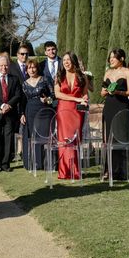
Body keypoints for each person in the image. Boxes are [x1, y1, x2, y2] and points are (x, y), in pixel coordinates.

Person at [54, 52, 90, 180]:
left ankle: (75, 171)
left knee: (75, 140)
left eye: (68, 60)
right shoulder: (59, 75)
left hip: (77, 112)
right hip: (63, 111)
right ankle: (64, 171)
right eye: (64, 60)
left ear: (73, 61)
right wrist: (75, 99)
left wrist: (84, 98)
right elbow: (57, 94)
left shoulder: (82, 77)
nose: (66, 62)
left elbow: (85, 94)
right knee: (64, 140)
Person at [101, 49, 129, 180]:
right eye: (110, 58)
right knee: (108, 138)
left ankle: (121, 171)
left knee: (120, 137)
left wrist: (118, 92)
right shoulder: (108, 73)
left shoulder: (127, 72)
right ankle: (108, 170)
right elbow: (102, 92)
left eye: (114, 58)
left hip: (121, 106)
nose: (111, 60)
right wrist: (108, 91)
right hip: (109, 106)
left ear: (122, 58)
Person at [0, 54, 23, 173]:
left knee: (8, 139)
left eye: (6, 65)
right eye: (1, 65)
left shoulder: (14, 79)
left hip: (10, 113)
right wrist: (2, 105)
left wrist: (8, 105)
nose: (4, 68)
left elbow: (18, 95)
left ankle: (6, 164)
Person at [20, 59, 54, 171]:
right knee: (32, 136)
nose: (32, 70)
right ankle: (35, 163)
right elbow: (22, 101)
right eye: (29, 68)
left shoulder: (45, 79)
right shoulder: (24, 84)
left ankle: (47, 162)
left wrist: (47, 99)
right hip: (30, 111)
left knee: (44, 136)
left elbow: (53, 95)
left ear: (37, 68)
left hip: (44, 111)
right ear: (26, 70)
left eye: (33, 67)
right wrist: (22, 114)